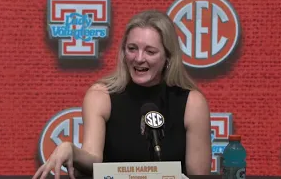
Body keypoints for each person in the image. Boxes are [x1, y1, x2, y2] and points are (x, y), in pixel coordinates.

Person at [33, 10, 212, 179]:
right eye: (132, 48)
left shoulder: (192, 103)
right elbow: (93, 159)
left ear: (168, 57)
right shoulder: (101, 96)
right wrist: (70, 149)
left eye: (150, 51)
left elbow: (199, 175)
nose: (139, 58)